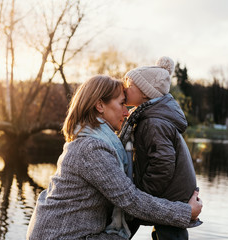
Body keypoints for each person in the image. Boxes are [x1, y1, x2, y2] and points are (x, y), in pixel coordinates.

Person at [26, 75, 202, 240]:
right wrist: (185, 212)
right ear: (100, 105)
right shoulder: (92, 148)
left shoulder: (96, 141)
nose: (127, 113)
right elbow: (130, 200)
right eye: (122, 104)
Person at [120, 56, 201, 240]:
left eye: (129, 85)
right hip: (170, 192)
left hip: (172, 196)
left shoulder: (153, 122)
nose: (124, 88)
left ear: (145, 93)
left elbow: (162, 164)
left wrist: (142, 193)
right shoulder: (149, 116)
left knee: (169, 234)